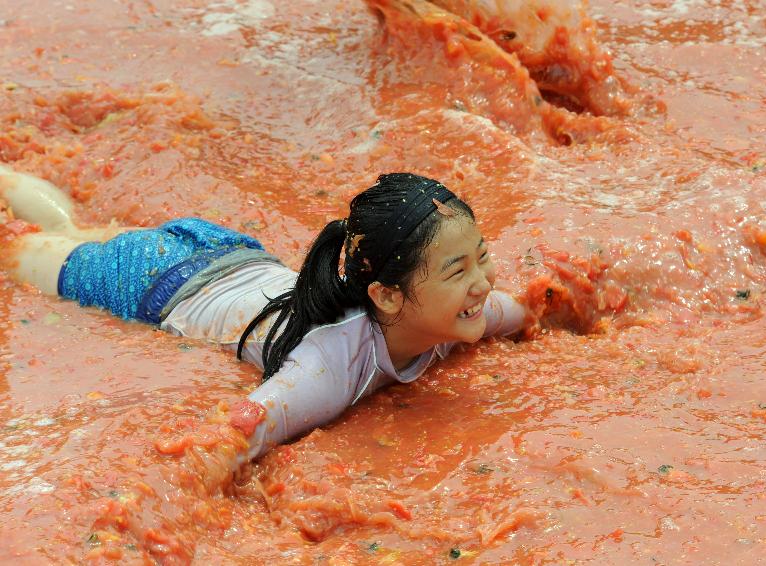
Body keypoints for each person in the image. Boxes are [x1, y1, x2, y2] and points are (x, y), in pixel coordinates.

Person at [0, 166, 531, 460]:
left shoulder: (463, 313)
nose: (484, 284)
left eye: (483, 256)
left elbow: (530, 305)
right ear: (387, 295)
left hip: (228, 251)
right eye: (458, 271)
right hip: (152, 280)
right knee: (13, 251)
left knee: (68, 231)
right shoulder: (327, 367)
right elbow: (236, 434)